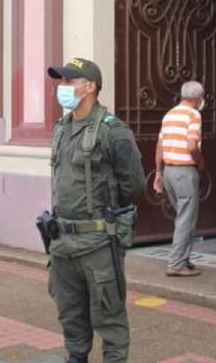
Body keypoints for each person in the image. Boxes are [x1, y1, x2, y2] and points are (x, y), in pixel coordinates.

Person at [46, 58, 146, 363]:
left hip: (98, 244)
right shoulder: (61, 128)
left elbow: (134, 186)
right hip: (62, 242)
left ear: (90, 86)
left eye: (69, 82)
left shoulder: (113, 131)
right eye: (60, 82)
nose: (62, 88)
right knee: (70, 315)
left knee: (109, 317)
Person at [153, 81, 206, 277]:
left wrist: (158, 173)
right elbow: (192, 145)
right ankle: (176, 264)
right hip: (185, 171)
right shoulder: (194, 115)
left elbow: (159, 145)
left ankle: (183, 258)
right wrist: (200, 162)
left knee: (183, 216)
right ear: (198, 98)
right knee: (186, 218)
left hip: (168, 171)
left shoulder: (169, 115)